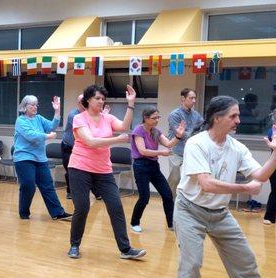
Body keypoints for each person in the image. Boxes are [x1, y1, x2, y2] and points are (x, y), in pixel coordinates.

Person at [173, 95, 276, 278]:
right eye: (233, 115)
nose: (238, 120)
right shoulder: (196, 143)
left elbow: (261, 175)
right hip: (189, 210)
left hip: (219, 213)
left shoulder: (236, 148)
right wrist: (244, 188)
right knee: (192, 263)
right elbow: (206, 184)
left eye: (238, 115)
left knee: (245, 260)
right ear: (217, 118)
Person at [67, 84, 146, 260]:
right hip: (80, 167)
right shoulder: (79, 119)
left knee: (116, 206)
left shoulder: (107, 118)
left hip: (103, 170)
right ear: (88, 100)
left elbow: (124, 125)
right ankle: (74, 245)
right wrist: (116, 140)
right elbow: (91, 142)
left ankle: (125, 250)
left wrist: (131, 103)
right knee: (82, 207)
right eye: (98, 98)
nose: (101, 101)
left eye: (103, 99)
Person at [13, 95, 71, 221]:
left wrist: (57, 111)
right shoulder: (21, 121)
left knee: (48, 185)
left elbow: (51, 127)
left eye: (36, 105)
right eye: (32, 105)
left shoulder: (39, 118)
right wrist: (48, 136)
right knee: (28, 185)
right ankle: (24, 212)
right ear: (24, 106)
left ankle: (57, 213)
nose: (35, 107)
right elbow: (31, 135)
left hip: (40, 158)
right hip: (24, 158)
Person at [129, 106, 185, 232]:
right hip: (141, 166)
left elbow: (169, 144)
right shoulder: (138, 130)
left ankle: (171, 223)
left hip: (153, 166)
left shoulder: (156, 131)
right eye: (154, 118)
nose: (157, 120)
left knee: (167, 194)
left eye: (158, 117)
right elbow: (142, 151)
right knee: (144, 197)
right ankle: (134, 222)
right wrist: (160, 153)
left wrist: (178, 136)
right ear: (146, 118)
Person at [61, 94, 100, 200]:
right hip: (68, 147)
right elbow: (89, 128)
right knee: (71, 170)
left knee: (88, 169)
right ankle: (70, 192)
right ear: (79, 103)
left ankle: (97, 193)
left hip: (82, 147)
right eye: (83, 102)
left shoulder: (88, 114)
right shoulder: (73, 115)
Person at [167, 88, 203, 198]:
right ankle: (170, 202)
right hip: (177, 151)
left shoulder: (196, 115)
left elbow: (203, 129)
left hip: (192, 152)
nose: (194, 101)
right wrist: (195, 135)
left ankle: (188, 202)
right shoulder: (174, 115)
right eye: (191, 98)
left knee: (193, 178)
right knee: (175, 178)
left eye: (195, 98)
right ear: (183, 99)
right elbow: (181, 134)